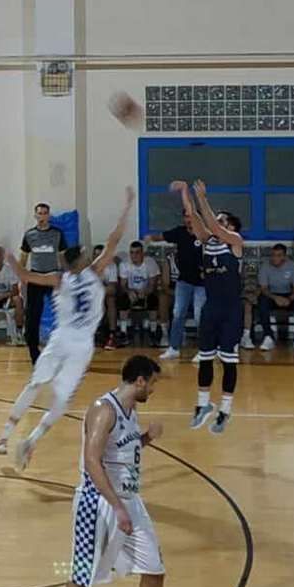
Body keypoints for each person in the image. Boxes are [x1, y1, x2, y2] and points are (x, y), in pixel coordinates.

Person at [56, 354, 190, 587]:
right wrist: (116, 506)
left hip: (130, 501)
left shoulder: (130, 410)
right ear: (139, 380)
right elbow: (92, 461)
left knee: (154, 569)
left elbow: (123, 452)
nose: (153, 389)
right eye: (152, 383)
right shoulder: (104, 410)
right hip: (97, 503)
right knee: (81, 577)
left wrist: (146, 439)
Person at [0, 189, 133, 468]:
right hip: (81, 344)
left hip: (61, 339)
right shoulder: (94, 272)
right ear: (80, 261)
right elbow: (114, 240)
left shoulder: (59, 279)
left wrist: (10, 255)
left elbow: (24, 275)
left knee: (35, 384)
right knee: (61, 401)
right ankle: (31, 440)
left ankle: (5, 436)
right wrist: (127, 207)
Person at [169, 180, 245, 432]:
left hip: (231, 310)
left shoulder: (235, 241)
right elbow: (194, 217)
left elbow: (211, 223)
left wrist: (202, 197)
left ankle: (225, 409)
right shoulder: (206, 241)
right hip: (211, 308)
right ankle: (203, 405)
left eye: (223, 220)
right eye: (218, 219)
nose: (217, 222)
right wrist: (185, 193)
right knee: (205, 358)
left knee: (229, 361)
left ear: (231, 226)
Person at [20, 203, 68, 362]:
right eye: (39, 213)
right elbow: (23, 259)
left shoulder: (57, 234)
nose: (42, 216)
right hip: (35, 277)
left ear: (48, 215)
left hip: (53, 276)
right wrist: (22, 278)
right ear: (35, 215)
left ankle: (64, 350)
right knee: (33, 316)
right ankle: (34, 352)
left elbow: (63, 257)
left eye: (45, 213)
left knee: (62, 312)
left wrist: (65, 276)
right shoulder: (29, 235)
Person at [158, 213, 205, 361]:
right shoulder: (179, 232)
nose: (188, 220)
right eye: (186, 217)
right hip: (183, 281)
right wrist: (149, 238)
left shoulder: (204, 233)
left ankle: (204, 350)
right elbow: (162, 236)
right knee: (178, 314)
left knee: (200, 316)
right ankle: (174, 348)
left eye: (191, 217)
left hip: (202, 283)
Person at [110, 240, 164, 348]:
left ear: (142, 253)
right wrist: (129, 291)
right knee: (123, 300)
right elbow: (123, 285)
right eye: (131, 252)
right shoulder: (124, 264)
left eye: (137, 252)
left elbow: (152, 284)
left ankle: (153, 331)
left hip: (146, 291)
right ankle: (123, 332)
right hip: (131, 291)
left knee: (153, 299)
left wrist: (146, 292)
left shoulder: (150, 263)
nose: (134, 255)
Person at [254, 243, 294, 350]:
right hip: (271, 295)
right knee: (262, 300)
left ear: (285, 257)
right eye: (273, 255)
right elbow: (264, 288)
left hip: (288, 296)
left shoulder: (293, 266)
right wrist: (276, 298)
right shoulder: (265, 266)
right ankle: (268, 337)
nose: (275, 258)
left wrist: (289, 299)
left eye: (279, 255)